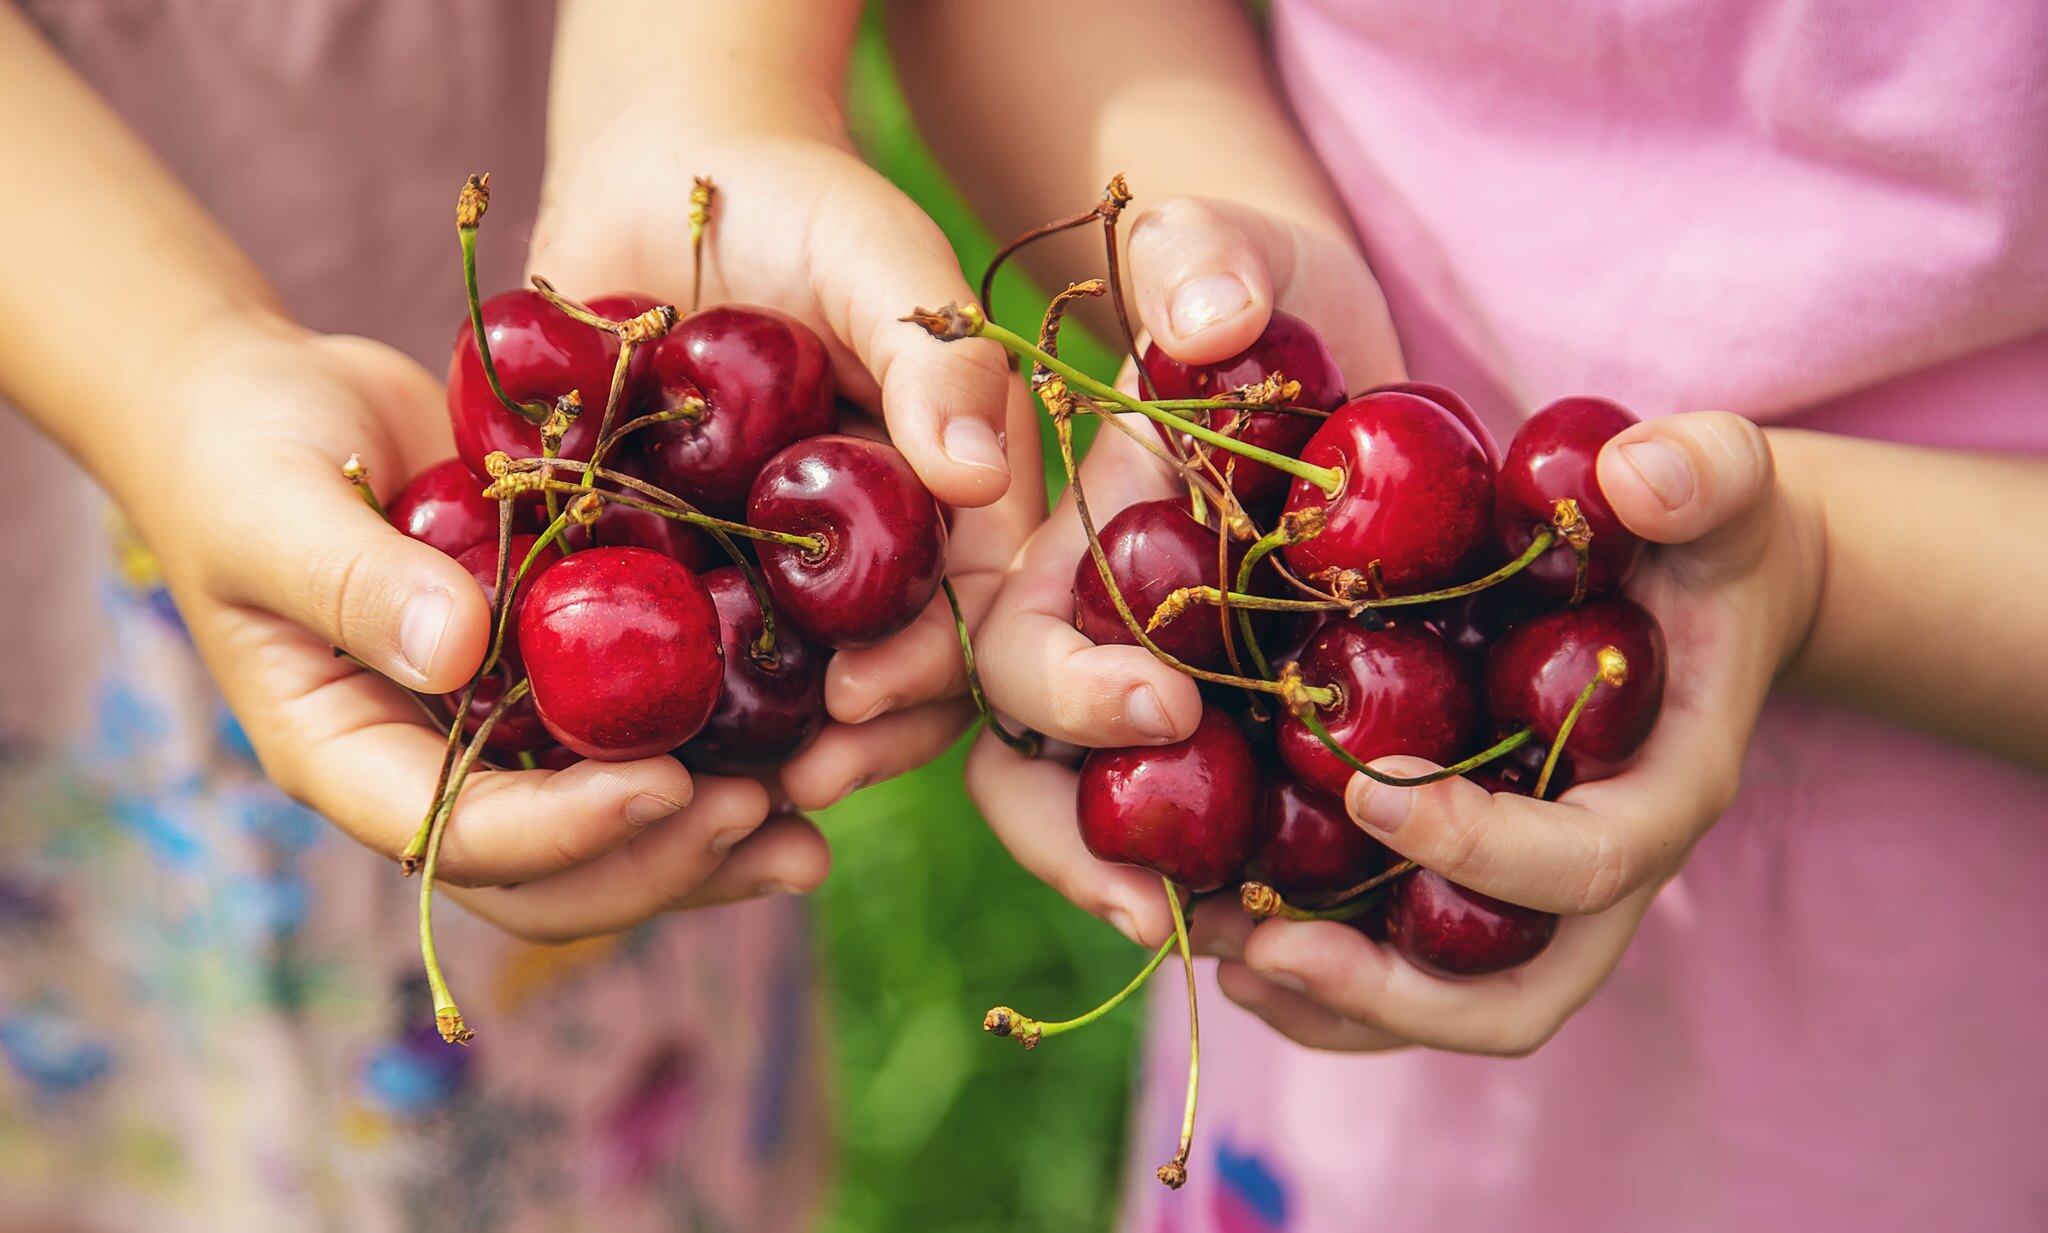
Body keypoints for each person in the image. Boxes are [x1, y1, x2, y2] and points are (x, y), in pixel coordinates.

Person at [901, 0, 2048, 1228]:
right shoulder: (1285, 634)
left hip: (1947, 991)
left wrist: (1818, 565)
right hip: (1348, 976)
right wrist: (1213, 263)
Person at [0, 3, 1038, 1230]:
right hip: (73, 340)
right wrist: (169, 378)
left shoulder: (639, 499)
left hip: (601, 119)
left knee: (616, 1001)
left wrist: (700, 97)